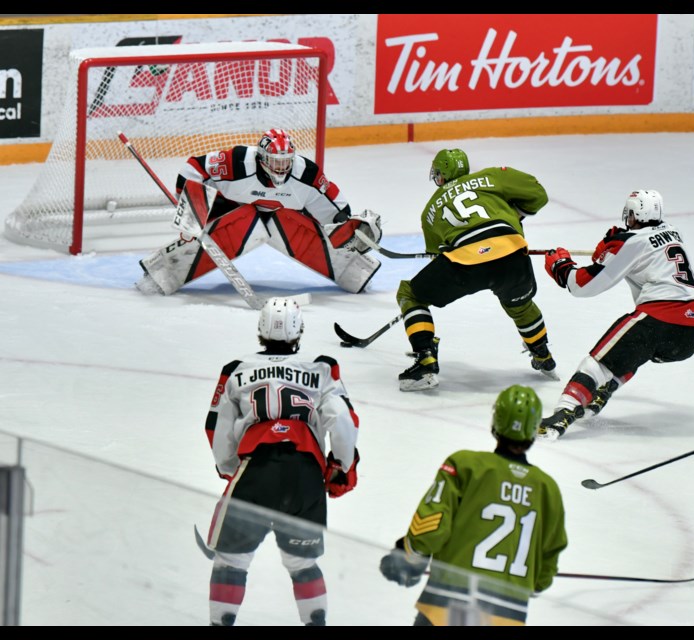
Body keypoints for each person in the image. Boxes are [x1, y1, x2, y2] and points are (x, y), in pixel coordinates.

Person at [203, 297, 360, 626]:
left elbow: (216, 429)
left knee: (231, 562)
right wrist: (341, 465)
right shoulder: (321, 366)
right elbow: (344, 421)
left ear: (260, 329)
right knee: (303, 563)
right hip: (305, 476)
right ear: (299, 329)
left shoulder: (235, 370)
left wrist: (230, 469)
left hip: (256, 472)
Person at [378, 385, 567, 626]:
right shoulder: (547, 489)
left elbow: (430, 528)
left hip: (448, 607)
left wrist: (408, 556)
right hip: (507, 617)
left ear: (496, 420)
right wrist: (532, 582)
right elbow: (547, 562)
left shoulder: (465, 465)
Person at [538, 189, 694, 439]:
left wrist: (560, 266)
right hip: (692, 334)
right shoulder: (674, 232)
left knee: (597, 363)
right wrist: (610, 248)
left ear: (633, 213)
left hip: (659, 318)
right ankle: (606, 388)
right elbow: (619, 255)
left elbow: (583, 285)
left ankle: (562, 415)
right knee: (635, 351)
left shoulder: (629, 242)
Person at [136, 128, 383, 296]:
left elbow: (336, 211)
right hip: (231, 211)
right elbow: (193, 169)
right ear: (262, 158)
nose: (281, 167)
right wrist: (192, 214)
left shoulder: (306, 174)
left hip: (284, 220)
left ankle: (353, 271)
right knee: (246, 218)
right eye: (275, 161)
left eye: (285, 161)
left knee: (286, 221)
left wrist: (354, 229)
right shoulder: (237, 161)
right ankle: (163, 272)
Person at [395, 148, 558, 391]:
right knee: (519, 304)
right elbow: (538, 194)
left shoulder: (430, 210)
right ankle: (543, 355)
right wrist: (512, 215)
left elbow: (438, 254)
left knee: (411, 294)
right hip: (512, 253)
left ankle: (425, 358)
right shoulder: (494, 176)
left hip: (466, 263)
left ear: (442, 175)